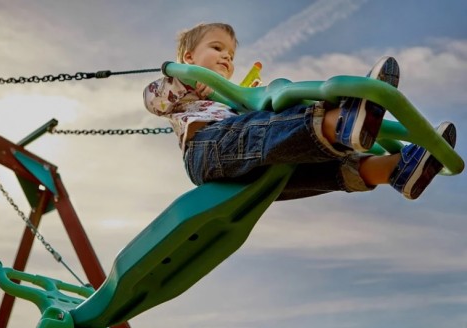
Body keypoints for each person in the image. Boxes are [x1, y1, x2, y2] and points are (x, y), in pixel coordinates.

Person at [144, 22, 456, 200]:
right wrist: (183, 78)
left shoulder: (232, 97)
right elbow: (153, 100)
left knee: (302, 170)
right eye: (216, 49)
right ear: (187, 57)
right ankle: (339, 122)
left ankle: (394, 169)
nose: (226, 57)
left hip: (246, 172)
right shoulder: (178, 89)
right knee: (264, 128)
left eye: (230, 54)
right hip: (207, 153)